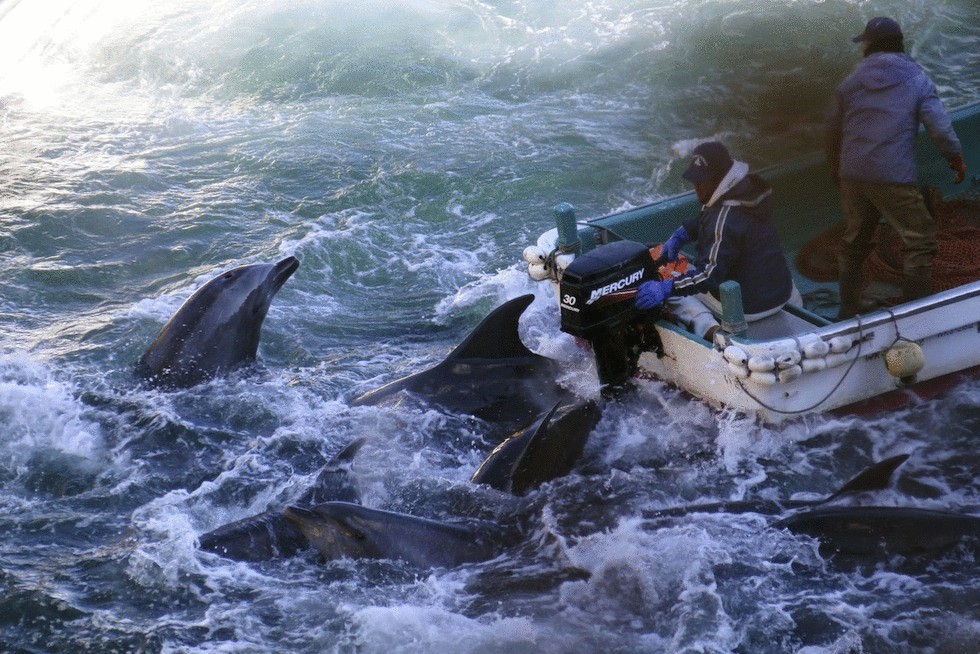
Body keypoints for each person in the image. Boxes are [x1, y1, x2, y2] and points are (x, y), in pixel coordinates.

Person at [825, 16, 967, 319]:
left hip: (853, 173)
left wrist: (837, 167)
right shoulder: (917, 79)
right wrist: (955, 158)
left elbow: (832, 129)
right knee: (920, 239)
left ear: (872, 46)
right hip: (891, 175)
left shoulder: (850, 82)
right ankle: (917, 313)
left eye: (864, 41)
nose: (862, 46)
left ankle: (849, 306)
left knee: (855, 241)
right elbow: (939, 128)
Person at [634, 141, 798, 341]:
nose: (696, 186)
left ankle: (711, 332)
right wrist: (685, 231)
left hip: (750, 307)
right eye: (695, 180)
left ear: (720, 179)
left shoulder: (723, 218)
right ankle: (797, 306)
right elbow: (725, 220)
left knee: (674, 285)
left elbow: (707, 276)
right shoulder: (750, 191)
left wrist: (666, 287)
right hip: (782, 293)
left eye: (702, 181)